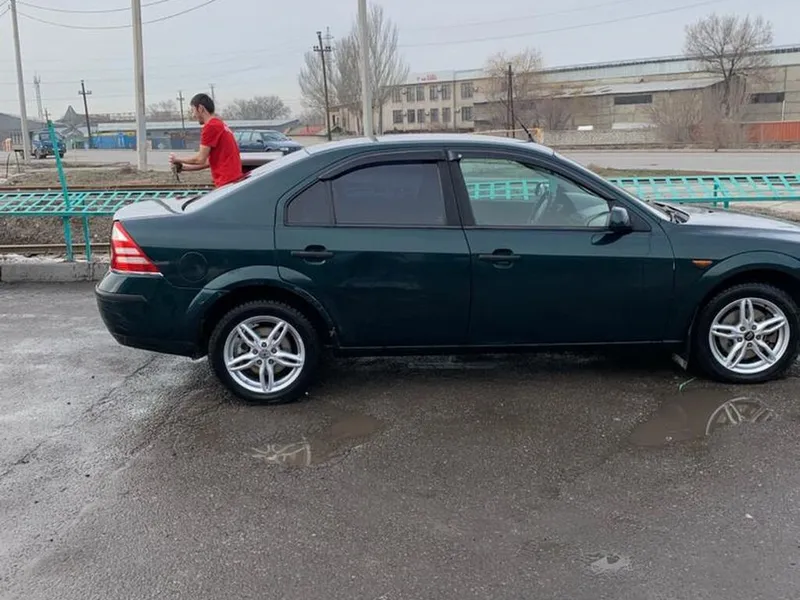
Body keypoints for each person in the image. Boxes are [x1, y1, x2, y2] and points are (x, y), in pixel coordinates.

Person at [169, 93, 243, 188]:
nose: (193, 115)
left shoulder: (210, 127)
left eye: (193, 110)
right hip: (232, 180)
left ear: (200, 108)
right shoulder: (219, 124)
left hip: (226, 182)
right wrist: (184, 168)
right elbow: (208, 162)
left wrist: (177, 159)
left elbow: (200, 159)